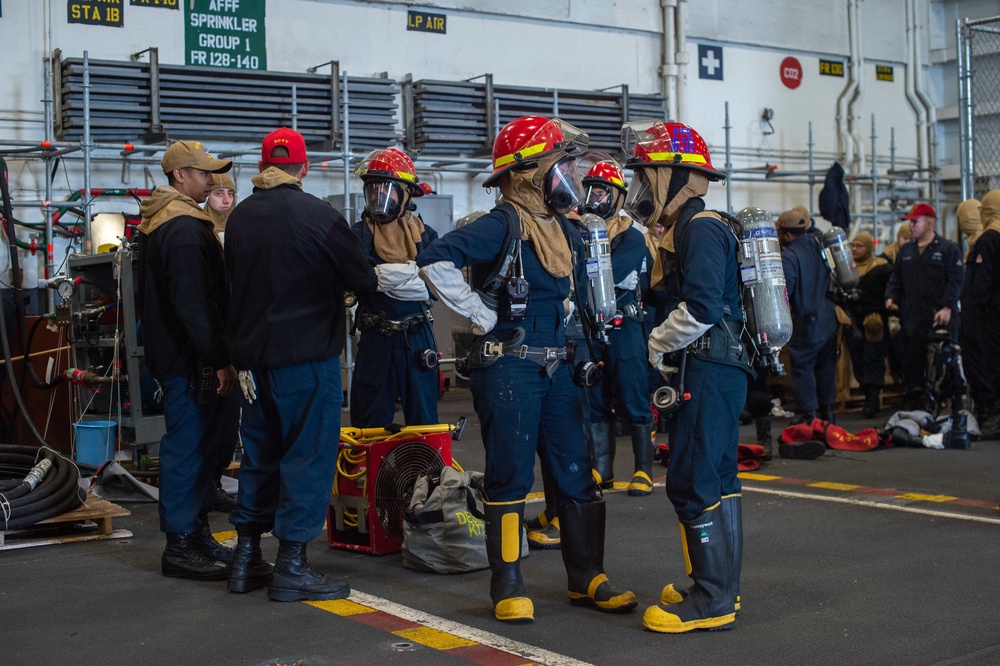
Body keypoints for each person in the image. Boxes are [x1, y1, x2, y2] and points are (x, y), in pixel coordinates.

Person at [417, 115, 636, 623]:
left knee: (576, 472)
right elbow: (434, 260)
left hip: (559, 366)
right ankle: (508, 581)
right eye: (563, 165)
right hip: (510, 367)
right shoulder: (502, 222)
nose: (573, 177)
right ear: (529, 173)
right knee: (510, 476)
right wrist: (481, 313)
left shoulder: (565, 228)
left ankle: (587, 577)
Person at [225, 127, 377, 599]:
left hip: (255, 364)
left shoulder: (240, 217)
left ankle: (247, 558)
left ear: (262, 166)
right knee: (307, 457)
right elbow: (364, 277)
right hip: (307, 360)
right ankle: (291, 564)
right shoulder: (318, 215)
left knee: (260, 457)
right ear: (304, 168)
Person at [631, 120, 752, 633]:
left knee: (692, 479)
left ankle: (711, 601)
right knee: (719, 478)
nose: (642, 189)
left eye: (648, 176)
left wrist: (653, 344)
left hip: (707, 367)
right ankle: (722, 585)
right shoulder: (700, 226)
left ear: (675, 178)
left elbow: (701, 306)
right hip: (720, 368)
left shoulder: (699, 229)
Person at [137, 140, 238, 581]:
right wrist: (218, 359)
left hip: (186, 356)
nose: (212, 180)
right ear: (180, 175)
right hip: (190, 360)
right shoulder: (180, 228)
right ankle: (179, 546)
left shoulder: (177, 220)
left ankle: (196, 536)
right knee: (187, 450)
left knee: (201, 449)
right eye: (203, 173)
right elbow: (195, 303)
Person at [577, 157, 655, 496]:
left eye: (604, 191)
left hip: (625, 326)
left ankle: (642, 470)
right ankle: (602, 469)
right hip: (589, 327)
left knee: (633, 395)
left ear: (619, 198)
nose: (596, 197)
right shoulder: (576, 228)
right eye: (592, 189)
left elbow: (599, 275)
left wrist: (586, 269)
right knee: (593, 395)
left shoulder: (632, 238)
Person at [350, 148, 439, 427]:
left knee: (424, 422)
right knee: (369, 424)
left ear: (406, 194)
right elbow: (360, 280)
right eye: (373, 190)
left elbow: (435, 287)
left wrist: (381, 279)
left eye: (388, 190)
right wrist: (412, 275)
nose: (379, 198)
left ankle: (426, 471)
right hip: (377, 337)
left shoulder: (426, 236)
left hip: (418, 336)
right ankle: (371, 472)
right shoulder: (356, 235)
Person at [885, 203, 964, 410]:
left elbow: (955, 281)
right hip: (913, 315)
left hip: (940, 315)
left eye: (915, 221)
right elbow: (896, 278)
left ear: (929, 223)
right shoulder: (906, 251)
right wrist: (891, 296)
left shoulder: (948, 249)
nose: (911, 226)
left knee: (945, 359)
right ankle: (915, 396)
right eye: (909, 222)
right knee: (913, 358)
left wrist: (947, 307)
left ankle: (948, 396)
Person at [776, 207, 838, 423]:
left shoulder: (789, 257)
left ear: (787, 234)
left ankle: (809, 415)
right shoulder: (820, 244)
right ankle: (828, 412)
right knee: (826, 365)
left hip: (807, 320)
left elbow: (786, 291)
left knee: (803, 367)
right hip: (830, 317)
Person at [203, 172, 241, 513]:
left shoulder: (243, 230)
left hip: (239, 333)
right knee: (210, 416)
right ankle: (205, 484)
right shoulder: (201, 232)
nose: (225, 199)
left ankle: (214, 481)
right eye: (218, 193)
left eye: (230, 193)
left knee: (230, 419)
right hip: (212, 336)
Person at [957, 198, 1000, 437]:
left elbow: (983, 281)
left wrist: (981, 306)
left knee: (986, 362)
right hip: (988, 312)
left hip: (986, 315)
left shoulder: (987, 240)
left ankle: (993, 412)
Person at [842, 232, 892, 418]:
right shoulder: (846, 269)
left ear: (869, 248)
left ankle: (872, 400)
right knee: (859, 359)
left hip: (874, 320)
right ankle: (866, 394)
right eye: (852, 245)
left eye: (859, 246)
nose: (855, 249)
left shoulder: (881, 268)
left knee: (873, 359)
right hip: (853, 321)